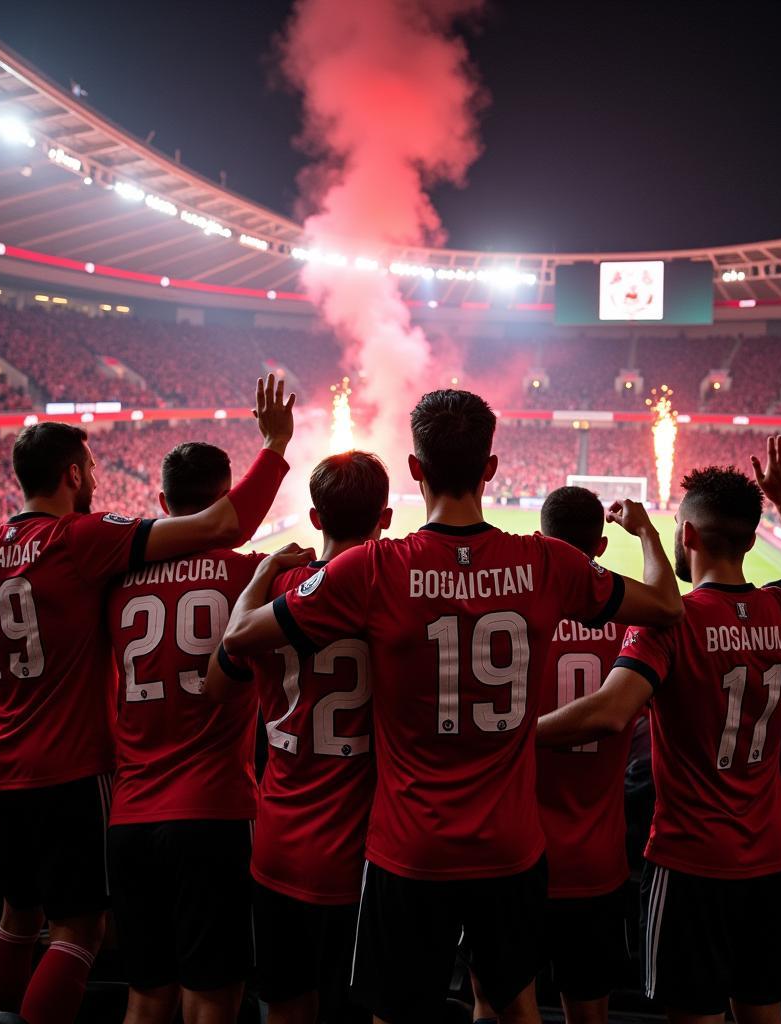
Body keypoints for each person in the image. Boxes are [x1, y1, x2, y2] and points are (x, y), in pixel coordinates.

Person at [218, 389, 683, 1024]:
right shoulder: (547, 561)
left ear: (415, 469)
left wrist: (262, 571)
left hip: (408, 848)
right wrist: (649, 533)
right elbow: (665, 607)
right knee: (512, 1004)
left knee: (396, 1010)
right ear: (490, 468)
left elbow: (240, 639)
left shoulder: (375, 567)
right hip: (512, 846)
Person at [0, 374, 296, 1024]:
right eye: (91, 469)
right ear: (73, 473)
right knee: (77, 932)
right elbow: (226, 523)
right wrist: (274, 445)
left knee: (17, 915)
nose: (94, 482)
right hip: (73, 770)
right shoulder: (80, 540)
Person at [538, 437, 781, 1024]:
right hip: (770, 859)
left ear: (690, 536)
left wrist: (513, 735)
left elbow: (608, 712)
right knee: (762, 1011)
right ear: (751, 541)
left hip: (691, 862)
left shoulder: (671, 623)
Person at [206, 450, 391, 1024]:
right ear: (385, 518)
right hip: (372, 849)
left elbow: (217, 684)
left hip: (281, 842)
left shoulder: (279, 592)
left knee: (286, 1008)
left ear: (314, 519)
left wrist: (262, 578)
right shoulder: (398, 595)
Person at [106, 441, 278, 1024]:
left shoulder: (117, 581)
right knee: (212, 996)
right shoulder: (251, 575)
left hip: (129, 814)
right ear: (224, 500)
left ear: (161, 501)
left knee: (146, 996)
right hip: (213, 813)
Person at [472, 485, 632, 1024]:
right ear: (602, 547)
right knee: (588, 1013)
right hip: (595, 860)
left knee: (491, 1004)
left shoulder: (504, 620)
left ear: (540, 539)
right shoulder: (634, 632)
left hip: (507, 851)